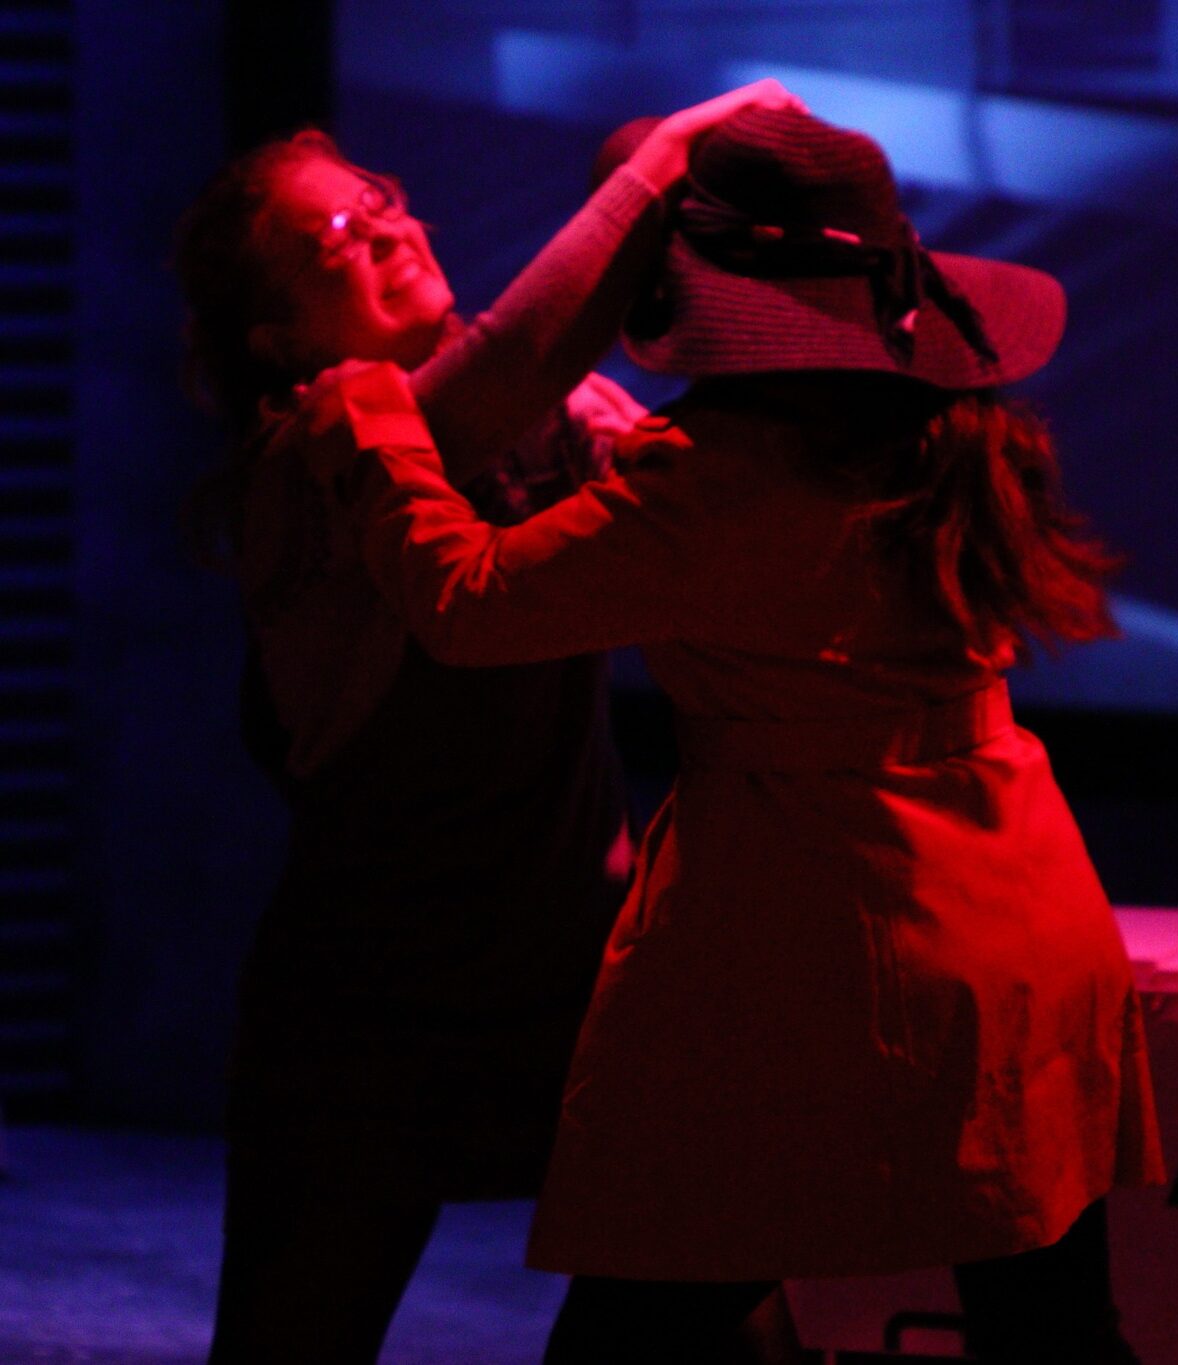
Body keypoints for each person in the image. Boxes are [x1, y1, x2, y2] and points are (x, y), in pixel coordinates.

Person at [301, 105, 1167, 1363]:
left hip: (839, 945)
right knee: (1054, 1334)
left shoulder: (710, 477)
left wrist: (376, 425)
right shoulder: (955, 423)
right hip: (1024, 912)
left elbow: (471, 603)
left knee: (633, 1333)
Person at [172, 81, 801, 1365]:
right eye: (328, 239)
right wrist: (662, 161)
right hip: (370, 1017)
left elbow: (637, 470)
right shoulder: (304, 463)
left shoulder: (551, 422)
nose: (378, 225)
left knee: (721, 1300)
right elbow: (497, 377)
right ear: (275, 336)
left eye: (375, 200)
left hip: (563, 980)